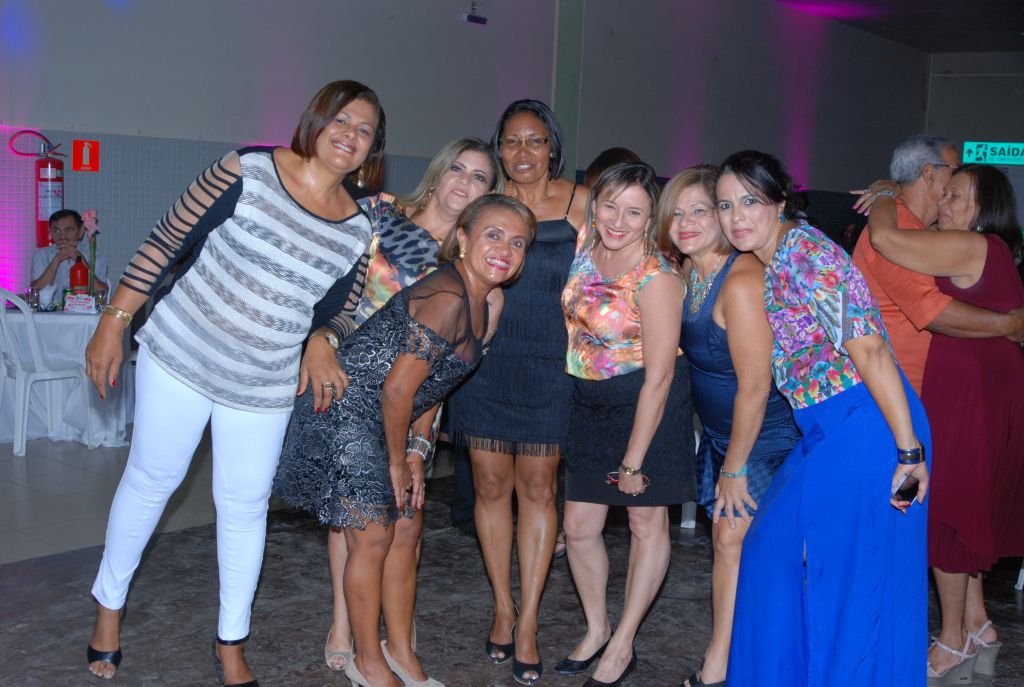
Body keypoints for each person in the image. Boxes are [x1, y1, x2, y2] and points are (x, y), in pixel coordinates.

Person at [83, 80, 384, 685]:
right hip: (182, 354)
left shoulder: (357, 229)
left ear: (371, 150)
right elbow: (167, 240)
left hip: (263, 382)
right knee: (151, 482)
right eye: (342, 120)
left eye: (365, 131)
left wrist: (323, 340)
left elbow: (341, 310)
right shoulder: (248, 169)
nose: (350, 136)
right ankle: (108, 613)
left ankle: (231, 643)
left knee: (245, 510)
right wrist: (114, 320)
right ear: (317, 119)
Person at [274, 194, 536, 687]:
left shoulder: (488, 301)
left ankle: (400, 652)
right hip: (347, 408)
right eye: (493, 235)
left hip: (389, 415)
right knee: (373, 534)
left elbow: (437, 381)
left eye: (518, 242)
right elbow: (397, 389)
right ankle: (367, 661)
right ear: (463, 239)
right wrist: (397, 461)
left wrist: (417, 450)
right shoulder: (448, 298)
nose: (505, 249)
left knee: (409, 526)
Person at [717, 150, 931, 686]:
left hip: (872, 426)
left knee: (856, 579)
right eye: (725, 205)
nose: (736, 216)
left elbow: (870, 349)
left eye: (749, 201)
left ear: (779, 201)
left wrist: (909, 453)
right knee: (769, 553)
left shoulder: (804, 253)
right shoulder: (774, 260)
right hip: (826, 431)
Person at [299, 138, 501, 679]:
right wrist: (319, 340)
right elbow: (329, 287)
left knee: (407, 521)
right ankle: (344, 624)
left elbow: (444, 367)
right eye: (457, 168)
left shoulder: (472, 262)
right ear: (438, 171)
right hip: (349, 382)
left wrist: (418, 440)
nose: (464, 182)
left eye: (480, 177)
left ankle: (397, 637)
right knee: (356, 519)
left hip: (416, 404)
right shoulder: (379, 215)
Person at [862, 165, 1024, 684]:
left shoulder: (974, 246)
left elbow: (885, 239)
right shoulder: (986, 250)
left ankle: (951, 641)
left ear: (983, 208)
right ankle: (979, 627)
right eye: (945, 193)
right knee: (966, 505)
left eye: (956, 196)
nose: (944, 204)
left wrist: (884, 193)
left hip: (972, 389)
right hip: (980, 382)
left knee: (950, 509)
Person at [445, 99, 587, 685]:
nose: (522, 152)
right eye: (511, 141)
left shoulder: (583, 204)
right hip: (487, 361)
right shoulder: (484, 202)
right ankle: (503, 606)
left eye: (534, 140)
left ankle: (528, 619)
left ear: (553, 146)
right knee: (489, 487)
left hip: (553, 367)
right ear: (498, 148)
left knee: (539, 488)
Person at [657, 165, 799, 687]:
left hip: (765, 440)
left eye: (702, 210)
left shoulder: (740, 282)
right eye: (677, 212)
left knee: (732, 543)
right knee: (735, 547)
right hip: (723, 437)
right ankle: (743, 659)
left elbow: (756, 386)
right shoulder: (688, 270)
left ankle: (721, 666)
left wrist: (735, 468)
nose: (687, 223)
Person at [558, 162, 694, 687]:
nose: (619, 220)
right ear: (594, 204)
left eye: (634, 212)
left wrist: (633, 463)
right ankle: (597, 628)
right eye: (610, 205)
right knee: (579, 527)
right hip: (589, 405)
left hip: (648, 408)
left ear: (651, 218)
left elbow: (660, 377)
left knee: (644, 524)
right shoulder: (584, 247)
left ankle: (623, 642)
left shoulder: (658, 276)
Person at [851, 135, 1024, 395]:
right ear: (930, 174)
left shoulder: (923, 232)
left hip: (941, 383)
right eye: (956, 168)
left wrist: (888, 191)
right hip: (896, 389)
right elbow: (930, 310)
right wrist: (1009, 325)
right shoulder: (901, 226)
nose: (961, 173)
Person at [31, 209, 109, 294]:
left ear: (81, 231)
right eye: (56, 231)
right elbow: (35, 293)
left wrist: (81, 260)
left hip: (83, 303)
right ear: (50, 232)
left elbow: (102, 293)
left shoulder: (95, 255)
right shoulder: (41, 255)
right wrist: (57, 259)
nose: (62, 237)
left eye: (68, 230)